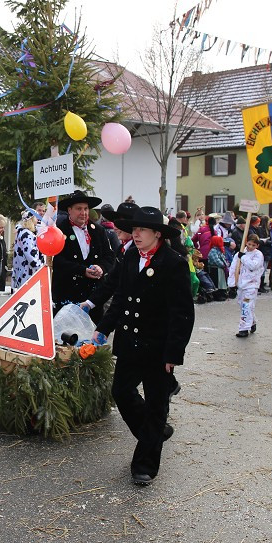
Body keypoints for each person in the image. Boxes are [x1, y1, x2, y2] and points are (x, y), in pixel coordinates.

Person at [93, 207, 194, 486]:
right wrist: (103, 329)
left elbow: (182, 313)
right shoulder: (129, 256)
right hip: (128, 343)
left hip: (158, 348)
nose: (135, 234)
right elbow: (122, 297)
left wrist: (174, 353)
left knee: (156, 405)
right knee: (121, 392)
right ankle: (153, 434)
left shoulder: (173, 263)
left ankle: (145, 463)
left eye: (142, 230)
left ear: (157, 234)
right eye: (133, 229)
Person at [51, 190, 114, 322]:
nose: (83, 213)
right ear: (69, 210)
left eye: (86, 208)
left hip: (93, 297)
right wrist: (82, 271)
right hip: (67, 294)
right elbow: (57, 261)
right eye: (79, 209)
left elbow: (109, 256)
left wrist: (101, 268)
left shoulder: (98, 230)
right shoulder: (59, 231)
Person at [229, 234, 264, 337]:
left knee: (246, 305)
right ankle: (252, 321)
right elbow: (233, 269)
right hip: (241, 284)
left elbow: (253, 266)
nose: (251, 247)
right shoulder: (239, 254)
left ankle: (243, 328)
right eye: (249, 244)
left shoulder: (258, 255)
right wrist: (232, 284)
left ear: (257, 245)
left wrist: (243, 257)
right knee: (242, 305)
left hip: (252, 285)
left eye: (253, 245)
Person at [11, 209, 43, 290]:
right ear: (31, 219)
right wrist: (40, 267)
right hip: (27, 273)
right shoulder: (27, 234)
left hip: (22, 270)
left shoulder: (22, 232)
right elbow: (30, 254)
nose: (37, 219)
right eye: (36, 217)